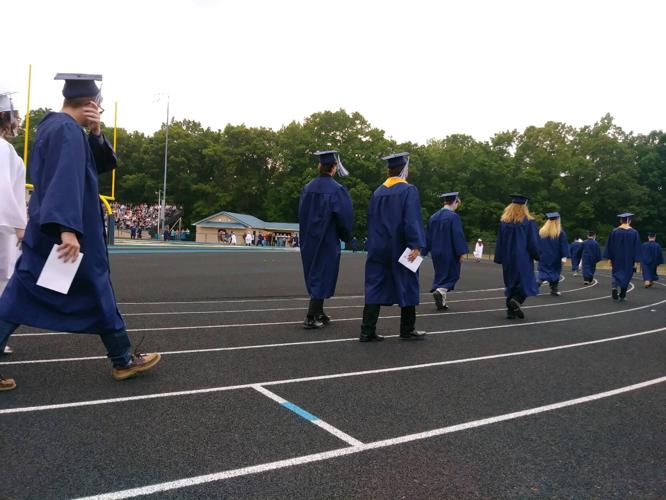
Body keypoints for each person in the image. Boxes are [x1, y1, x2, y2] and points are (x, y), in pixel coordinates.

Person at [0, 73, 160, 392]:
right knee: (92, 288)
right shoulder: (67, 132)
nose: (98, 112)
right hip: (65, 236)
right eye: (98, 108)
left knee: (23, 295)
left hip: (49, 232)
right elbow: (65, 179)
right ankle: (123, 359)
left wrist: (97, 132)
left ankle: (122, 357)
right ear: (90, 104)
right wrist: (68, 231)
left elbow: (95, 165)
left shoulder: (52, 127)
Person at [360, 152, 425, 341]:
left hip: (378, 246)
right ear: (404, 170)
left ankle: (367, 331)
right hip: (401, 247)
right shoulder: (408, 190)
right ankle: (407, 330)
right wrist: (416, 244)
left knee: (375, 284)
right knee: (408, 283)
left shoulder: (378, 191)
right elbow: (411, 220)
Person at [298, 150, 353, 329]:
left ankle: (319, 311)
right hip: (327, 238)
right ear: (334, 167)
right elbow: (343, 217)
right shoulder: (337, 190)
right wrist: (347, 236)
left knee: (315, 272)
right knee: (323, 273)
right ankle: (310, 316)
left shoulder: (307, 188)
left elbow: (302, 214)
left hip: (309, 237)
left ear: (319, 166)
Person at [0, 91, 26, 358]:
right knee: (4, 281)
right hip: (3, 229)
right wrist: (20, 225)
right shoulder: (4, 150)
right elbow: (4, 191)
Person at [494, 194, 540, 320]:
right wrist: (537, 255)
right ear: (524, 206)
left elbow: (500, 241)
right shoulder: (529, 222)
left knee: (511, 283)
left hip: (508, 258)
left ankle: (511, 312)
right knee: (527, 282)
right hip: (523, 257)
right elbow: (533, 242)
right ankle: (516, 300)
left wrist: (499, 257)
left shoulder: (504, 222)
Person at [422, 191, 468, 311]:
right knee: (453, 275)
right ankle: (440, 291)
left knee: (441, 275)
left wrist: (423, 251)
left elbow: (428, 236)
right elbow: (457, 235)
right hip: (450, 251)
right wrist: (461, 252)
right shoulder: (453, 217)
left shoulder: (433, 217)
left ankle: (442, 302)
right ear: (455, 202)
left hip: (436, 252)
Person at [603, 212, 642, 301]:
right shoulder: (634, 233)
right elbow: (637, 247)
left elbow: (610, 245)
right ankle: (623, 293)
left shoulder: (614, 231)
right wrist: (636, 261)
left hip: (616, 258)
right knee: (627, 274)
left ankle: (614, 288)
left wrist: (609, 258)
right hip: (629, 259)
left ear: (621, 220)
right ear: (629, 221)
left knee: (616, 272)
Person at [537, 212, 569, 296]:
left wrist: (537, 254)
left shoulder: (541, 231)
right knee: (555, 273)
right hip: (555, 257)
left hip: (543, 256)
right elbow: (563, 245)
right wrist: (564, 256)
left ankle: (535, 286)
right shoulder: (560, 232)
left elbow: (537, 244)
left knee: (543, 272)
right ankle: (554, 290)